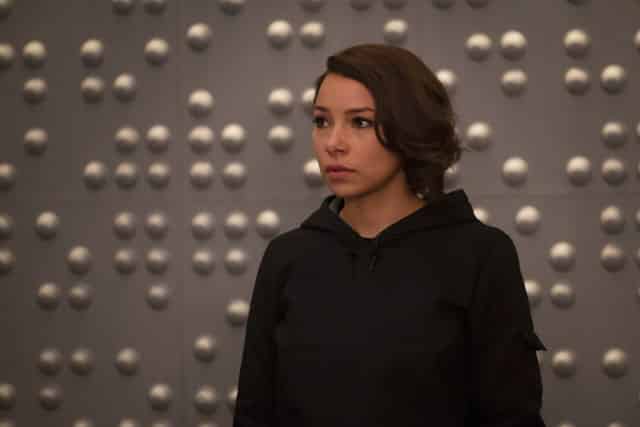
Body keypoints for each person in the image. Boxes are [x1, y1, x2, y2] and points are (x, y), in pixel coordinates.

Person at [232, 43, 547, 427]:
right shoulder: (287, 257)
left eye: (360, 122)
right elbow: (253, 414)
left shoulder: (481, 255)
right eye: (321, 121)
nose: (333, 143)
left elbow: (512, 417)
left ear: (409, 127)